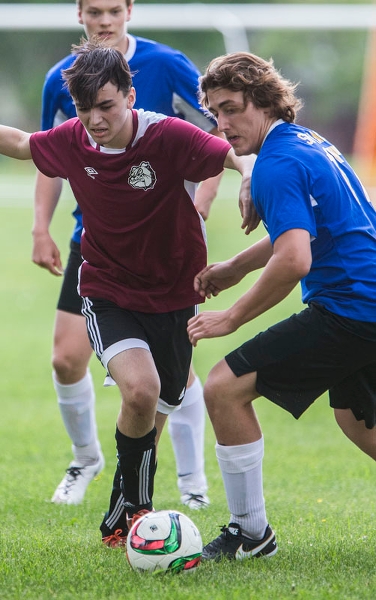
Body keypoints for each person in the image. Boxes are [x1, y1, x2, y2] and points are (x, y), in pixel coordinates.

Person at [0, 40, 257, 546]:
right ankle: (139, 513)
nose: (94, 120)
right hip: (107, 290)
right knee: (141, 390)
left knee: (155, 411)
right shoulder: (73, 140)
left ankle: (124, 505)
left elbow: (232, 154)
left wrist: (249, 176)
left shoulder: (166, 135)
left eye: (106, 107)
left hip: (177, 293)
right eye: (83, 108)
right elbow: (20, 143)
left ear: (130, 96)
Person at [32, 0, 225, 509]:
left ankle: (190, 483)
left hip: (167, 253)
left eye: (112, 8)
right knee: (72, 359)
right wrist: (39, 227)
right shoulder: (63, 78)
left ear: (128, 10)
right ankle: (88, 464)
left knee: (172, 383)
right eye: (93, 9)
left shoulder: (166, 67)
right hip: (95, 245)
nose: (104, 19)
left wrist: (203, 201)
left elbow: (221, 132)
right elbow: (43, 150)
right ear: (79, 14)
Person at [187, 51, 376, 561]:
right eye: (215, 113)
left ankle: (251, 535)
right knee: (357, 420)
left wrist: (231, 317)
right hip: (367, 302)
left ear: (263, 100)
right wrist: (236, 267)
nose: (223, 124)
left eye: (232, 108)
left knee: (224, 386)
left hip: (351, 308)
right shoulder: (309, 142)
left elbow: (294, 258)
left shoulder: (277, 163)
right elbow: (314, 233)